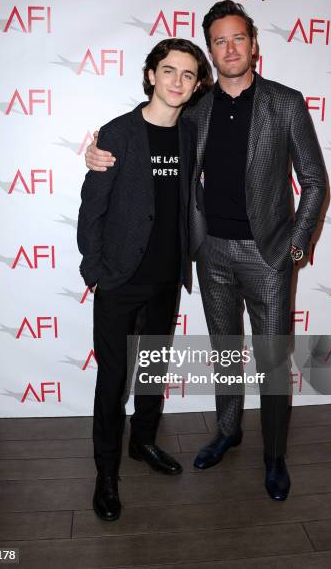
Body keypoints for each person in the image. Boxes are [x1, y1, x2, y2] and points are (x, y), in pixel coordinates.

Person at [85, 1, 327, 501]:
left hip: (269, 257)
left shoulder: (286, 103)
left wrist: (294, 248)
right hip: (209, 253)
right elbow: (147, 135)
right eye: (219, 41)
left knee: (272, 360)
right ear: (211, 52)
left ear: (254, 44)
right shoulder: (196, 108)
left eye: (238, 38)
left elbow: (314, 183)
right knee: (224, 353)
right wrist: (96, 151)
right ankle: (227, 429)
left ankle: (275, 456)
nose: (230, 48)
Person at [77, 38, 212, 521]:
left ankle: (145, 444)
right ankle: (106, 474)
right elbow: (91, 209)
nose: (177, 82)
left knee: (152, 371)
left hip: (165, 280)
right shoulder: (117, 133)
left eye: (188, 75)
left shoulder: (191, 133)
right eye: (169, 71)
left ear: (197, 86)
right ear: (151, 74)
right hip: (118, 279)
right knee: (113, 381)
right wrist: (95, 271)